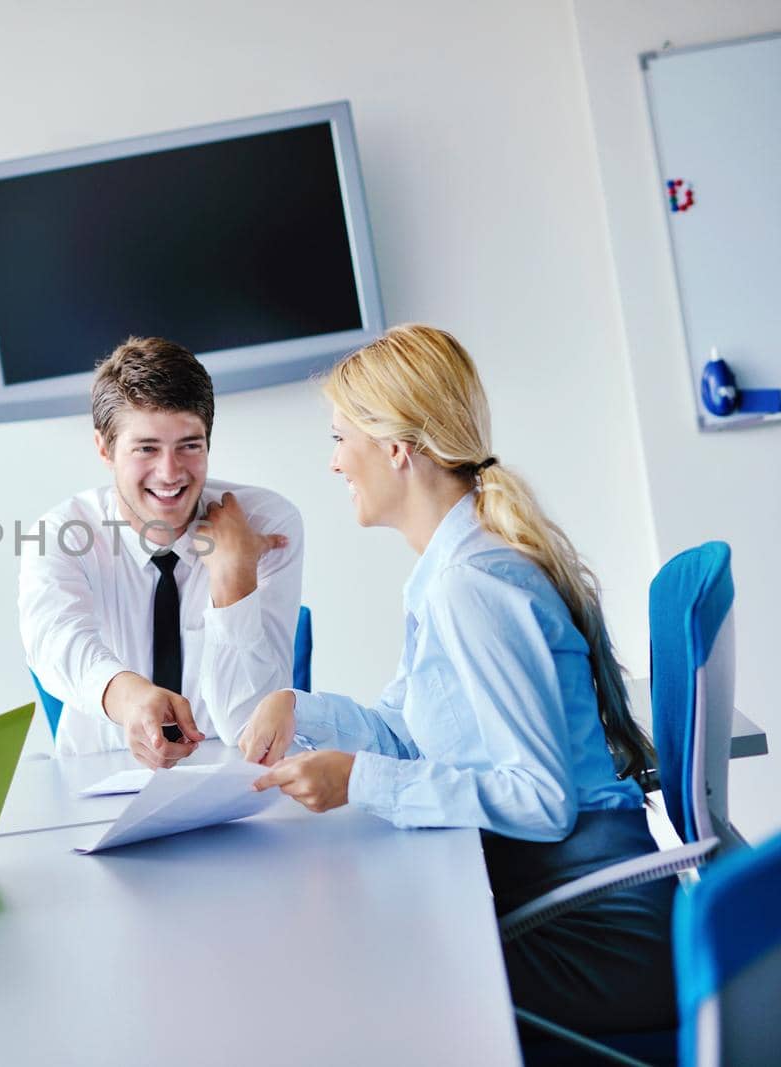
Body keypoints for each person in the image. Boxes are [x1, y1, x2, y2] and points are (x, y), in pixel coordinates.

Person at [239, 324, 673, 1033]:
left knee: (356, 998)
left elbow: (540, 801)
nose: (335, 462)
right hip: (554, 898)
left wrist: (360, 781)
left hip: (592, 928)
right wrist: (294, 704)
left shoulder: (471, 584)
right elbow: (409, 730)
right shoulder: (449, 570)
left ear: (396, 450)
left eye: (339, 438)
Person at [19, 336, 303, 769]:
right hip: (100, 780)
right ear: (104, 448)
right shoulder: (61, 533)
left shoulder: (265, 523)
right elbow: (56, 641)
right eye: (146, 448)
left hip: (229, 776)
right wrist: (129, 697)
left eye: (189, 445)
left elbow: (249, 723)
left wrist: (233, 579)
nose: (170, 473)